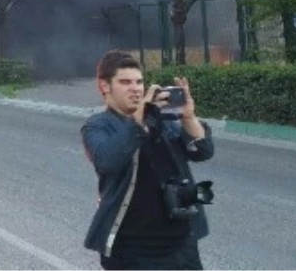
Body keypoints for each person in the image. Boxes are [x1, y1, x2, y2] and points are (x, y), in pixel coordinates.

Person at [81, 50, 215, 270]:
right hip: (134, 250)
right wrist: (139, 119)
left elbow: (203, 151)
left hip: (182, 243)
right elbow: (107, 161)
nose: (135, 88)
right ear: (105, 86)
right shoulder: (98, 126)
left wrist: (188, 117)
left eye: (139, 81)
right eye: (125, 82)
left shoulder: (163, 119)